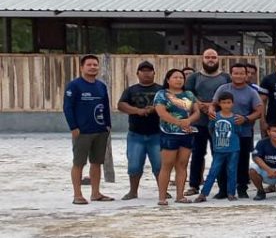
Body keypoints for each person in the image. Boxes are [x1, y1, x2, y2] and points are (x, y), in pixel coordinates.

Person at [65, 55, 113, 205]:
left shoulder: (101, 86)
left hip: (100, 130)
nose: (92, 67)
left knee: (97, 162)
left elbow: (105, 107)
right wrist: (73, 127)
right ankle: (77, 195)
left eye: (95, 65)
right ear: (82, 67)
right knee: (79, 163)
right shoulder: (74, 86)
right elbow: (67, 107)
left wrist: (108, 125)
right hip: (82, 131)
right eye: (89, 65)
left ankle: (95, 193)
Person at [211, 63, 262, 199]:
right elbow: (213, 105)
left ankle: (242, 188)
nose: (238, 76)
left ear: (246, 75)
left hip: (244, 133)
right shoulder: (223, 88)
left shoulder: (252, 92)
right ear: (231, 74)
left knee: (242, 161)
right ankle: (223, 189)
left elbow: (259, 111)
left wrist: (246, 118)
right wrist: (212, 114)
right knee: (222, 161)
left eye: (241, 73)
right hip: (223, 134)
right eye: (236, 73)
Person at [185, 48, 230, 196]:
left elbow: (229, 96)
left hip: (220, 122)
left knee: (220, 153)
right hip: (198, 121)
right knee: (197, 153)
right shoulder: (194, 77)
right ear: (202, 59)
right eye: (207, 57)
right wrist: (202, 106)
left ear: (218, 60)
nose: (210, 59)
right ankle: (194, 185)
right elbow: (188, 95)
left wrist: (213, 106)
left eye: (213, 57)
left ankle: (223, 186)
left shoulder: (225, 77)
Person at [117, 61, 163, 200]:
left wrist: (155, 109)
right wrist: (137, 111)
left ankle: (163, 191)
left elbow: (169, 104)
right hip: (136, 134)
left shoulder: (161, 90)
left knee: (159, 165)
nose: (146, 73)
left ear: (154, 73)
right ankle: (133, 191)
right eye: (143, 71)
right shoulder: (131, 90)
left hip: (157, 133)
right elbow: (121, 105)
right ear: (137, 74)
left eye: (149, 70)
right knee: (134, 165)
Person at [154, 69, 198, 206]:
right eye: (175, 77)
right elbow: (161, 112)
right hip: (169, 133)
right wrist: (179, 122)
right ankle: (162, 197)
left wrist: (189, 120)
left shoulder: (189, 94)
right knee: (167, 165)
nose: (178, 80)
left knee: (182, 165)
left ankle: (180, 196)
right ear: (168, 80)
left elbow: (197, 111)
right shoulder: (162, 94)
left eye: (181, 77)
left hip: (186, 133)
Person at [196, 93, 240, 203]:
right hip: (219, 149)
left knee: (232, 171)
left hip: (233, 149)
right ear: (219, 104)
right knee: (213, 171)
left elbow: (238, 131)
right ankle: (203, 193)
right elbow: (210, 129)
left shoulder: (236, 118)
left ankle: (231, 193)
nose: (226, 105)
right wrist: (216, 141)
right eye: (224, 102)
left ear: (233, 104)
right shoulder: (215, 116)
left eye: (228, 102)